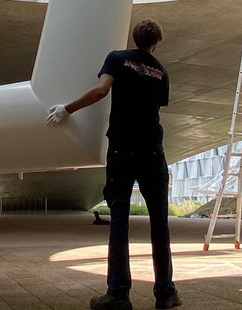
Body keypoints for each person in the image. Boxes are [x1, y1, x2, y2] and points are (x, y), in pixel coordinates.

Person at [46, 19, 180, 310]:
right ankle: (166, 293)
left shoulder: (118, 58)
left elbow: (101, 90)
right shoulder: (162, 72)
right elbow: (155, 109)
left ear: (134, 38)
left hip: (122, 149)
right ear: (156, 41)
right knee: (160, 222)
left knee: (119, 220)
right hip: (154, 152)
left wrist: (66, 109)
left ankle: (118, 295)